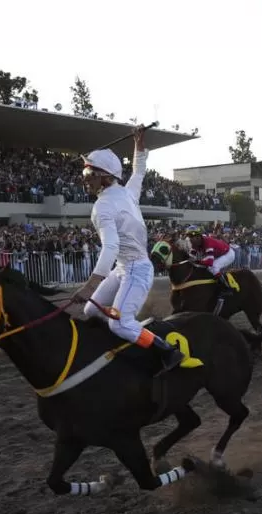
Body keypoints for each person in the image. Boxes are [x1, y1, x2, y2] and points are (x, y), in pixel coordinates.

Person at [71, 127, 184, 372]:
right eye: (84, 171)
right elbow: (139, 171)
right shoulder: (128, 193)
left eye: (89, 172)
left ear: (105, 176)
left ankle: (167, 350)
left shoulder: (102, 207)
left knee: (119, 324)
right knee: (92, 310)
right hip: (123, 269)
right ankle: (125, 338)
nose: (84, 178)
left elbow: (110, 247)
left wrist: (89, 285)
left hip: (137, 270)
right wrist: (138, 146)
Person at [185, 226, 236, 294]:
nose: (190, 239)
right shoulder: (195, 244)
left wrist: (197, 261)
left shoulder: (207, 242)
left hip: (228, 254)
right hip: (218, 254)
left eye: (191, 237)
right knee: (205, 267)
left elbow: (209, 262)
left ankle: (226, 288)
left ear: (198, 237)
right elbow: (191, 257)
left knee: (214, 267)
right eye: (189, 237)